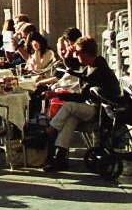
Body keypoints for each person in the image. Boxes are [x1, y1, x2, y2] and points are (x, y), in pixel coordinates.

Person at [42, 38, 122, 172]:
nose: (76, 55)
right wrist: (67, 55)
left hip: (102, 110)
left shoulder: (98, 70)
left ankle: (47, 133)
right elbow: (72, 66)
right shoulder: (91, 66)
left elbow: (81, 97)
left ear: (86, 54)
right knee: (70, 119)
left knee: (69, 106)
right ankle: (59, 157)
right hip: (93, 107)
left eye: (78, 53)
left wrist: (56, 95)